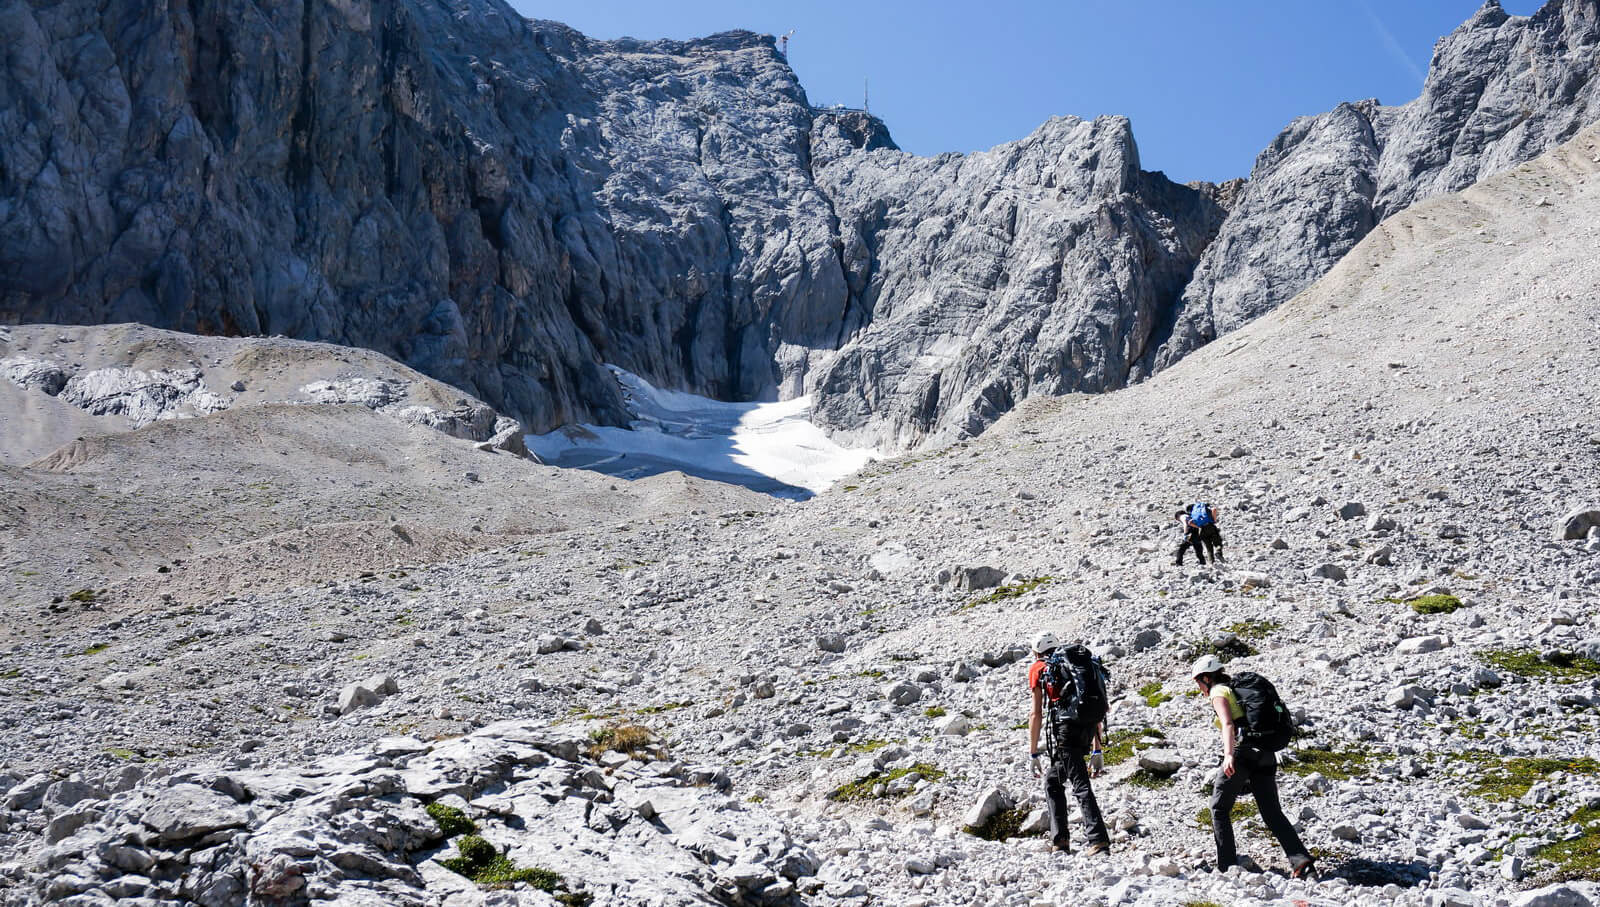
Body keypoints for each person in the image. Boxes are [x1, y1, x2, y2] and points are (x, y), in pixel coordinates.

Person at [1190, 655, 1315, 878]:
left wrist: (1228, 755)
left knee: (1219, 808)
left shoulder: (1219, 692)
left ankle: (1227, 867)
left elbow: (1228, 724)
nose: (1199, 688)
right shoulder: (1235, 689)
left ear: (1207, 678)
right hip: (1266, 754)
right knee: (1272, 812)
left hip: (1242, 753)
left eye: (1198, 682)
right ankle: (1302, 863)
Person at [1027, 632, 1111, 856]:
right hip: (1087, 728)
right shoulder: (1080, 665)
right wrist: (1096, 747)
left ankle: (1098, 840)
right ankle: (1060, 840)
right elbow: (1094, 707)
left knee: (1080, 784)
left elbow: (1036, 714)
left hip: (1065, 731)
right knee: (1053, 780)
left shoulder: (1040, 668)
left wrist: (1033, 753)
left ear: (1037, 652)